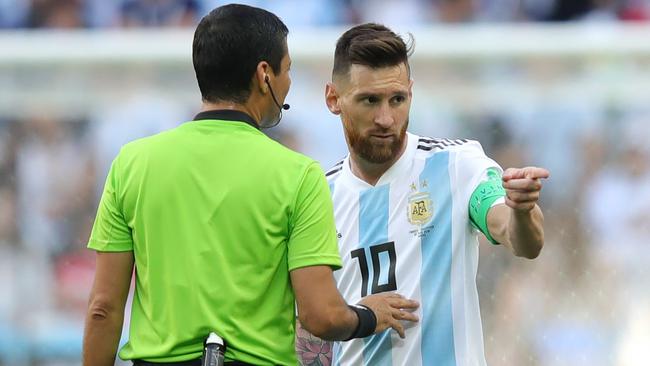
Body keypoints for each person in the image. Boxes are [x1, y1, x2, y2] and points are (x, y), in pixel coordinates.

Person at [82, 6, 419, 366]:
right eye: (287, 70)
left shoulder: (132, 163)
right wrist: (370, 314)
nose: (288, 82)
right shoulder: (298, 174)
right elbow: (321, 316)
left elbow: (103, 308)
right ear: (264, 75)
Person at [296, 23, 550, 365]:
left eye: (397, 99)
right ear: (333, 99)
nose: (386, 118)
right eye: (370, 101)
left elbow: (519, 239)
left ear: (410, 94)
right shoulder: (316, 197)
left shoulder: (456, 165)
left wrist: (521, 209)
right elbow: (309, 333)